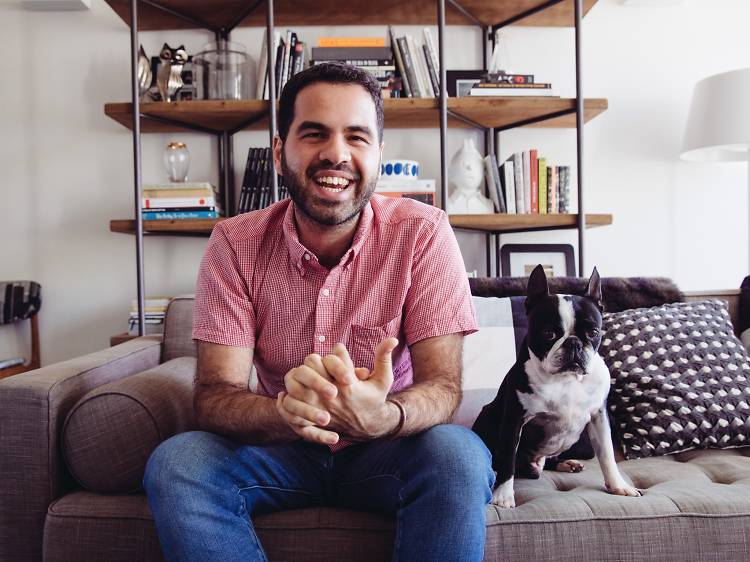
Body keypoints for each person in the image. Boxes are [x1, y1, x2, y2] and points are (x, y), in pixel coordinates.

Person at [143, 62, 494, 562]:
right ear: (280, 147)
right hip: (277, 451)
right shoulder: (234, 242)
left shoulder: (424, 233)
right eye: (314, 134)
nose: (336, 154)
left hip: (389, 451)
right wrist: (285, 412)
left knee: (459, 456)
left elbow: (443, 387)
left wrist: (384, 416)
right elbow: (214, 395)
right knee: (178, 462)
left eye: (357, 137)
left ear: (378, 154)